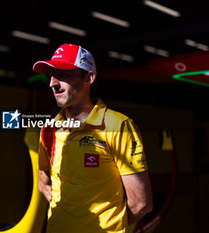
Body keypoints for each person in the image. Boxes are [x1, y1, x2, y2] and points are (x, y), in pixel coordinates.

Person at [33, 43, 153, 233]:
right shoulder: (48, 130)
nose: (53, 83)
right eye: (51, 75)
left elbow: (141, 203)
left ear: (88, 78)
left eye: (63, 74)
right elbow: (44, 183)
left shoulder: (118, 126)